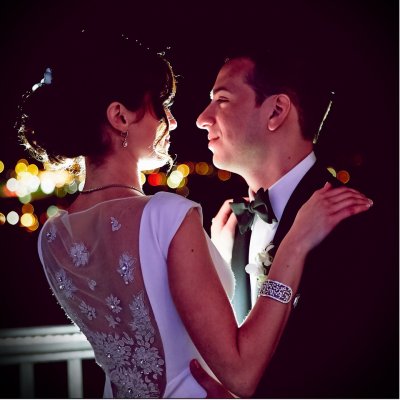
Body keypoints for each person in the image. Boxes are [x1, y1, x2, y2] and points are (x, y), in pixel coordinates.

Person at [16, 31, 372, 398]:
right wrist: (292, 247)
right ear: (119, 116)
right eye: (160, 106)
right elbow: (236, 365)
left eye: (221, 100)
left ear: (277, 111)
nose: (191, 120)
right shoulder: (171, 217)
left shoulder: (51, 236)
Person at [194, 47, 394, 397]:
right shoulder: (231, 228)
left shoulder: (353, 222)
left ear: (276, 111)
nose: (202, 118)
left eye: (221, 100)